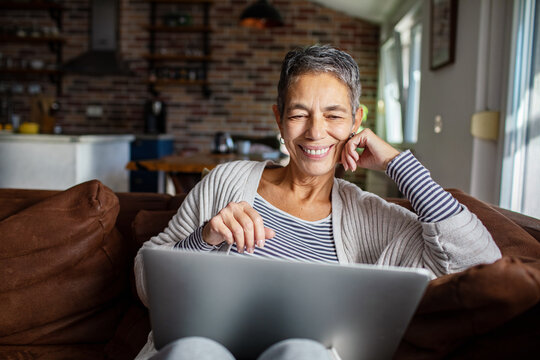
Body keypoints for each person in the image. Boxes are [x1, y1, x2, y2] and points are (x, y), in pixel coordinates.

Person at [134, 44, 501, 360]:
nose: (315, 131)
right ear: (279, 120)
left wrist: (397, 163)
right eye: (298, 114)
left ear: (356, 120)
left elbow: (483, 265)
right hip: (205, 351)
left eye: (334, 115)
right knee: (194, 352)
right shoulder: (226, 181)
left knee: (304, 353)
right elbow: (148, 286)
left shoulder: (371, 218)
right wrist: (204, 238)